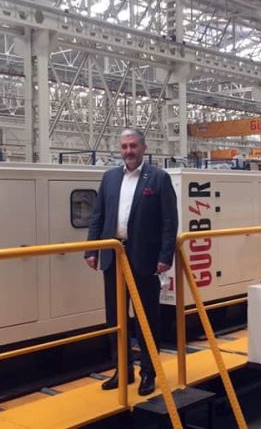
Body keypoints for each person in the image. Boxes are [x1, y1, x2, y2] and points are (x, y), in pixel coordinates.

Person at [84, 128, 178, 396]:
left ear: (144, 148)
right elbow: (98, 216)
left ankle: (149, 371)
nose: (129, 151)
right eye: (124, 146)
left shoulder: (158, 178)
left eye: (133, 146)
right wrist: (92, 250)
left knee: (146, 317)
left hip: (144, 258)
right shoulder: (110, 178)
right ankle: (122, 369)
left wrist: (165, 256)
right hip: (113, 255)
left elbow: (169, 222)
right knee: (115, 318)